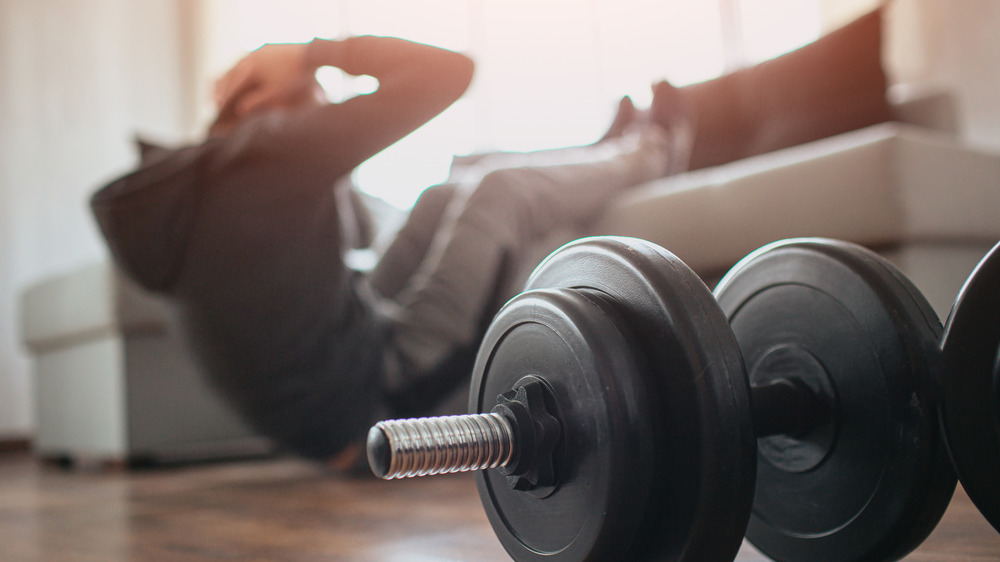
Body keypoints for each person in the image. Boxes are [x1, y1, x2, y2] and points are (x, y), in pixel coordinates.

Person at [90, 35, 693, 467]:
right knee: (497, 192)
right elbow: (450, 72)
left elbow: (325, 255)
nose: (327, 113)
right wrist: (308, 55)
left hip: (327, 393)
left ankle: (601, 152)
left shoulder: (190, 187)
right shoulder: (267, 158)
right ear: (262, 109)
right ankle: (654, 152)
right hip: (373, 410)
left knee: (438, 194)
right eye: (317, 101)